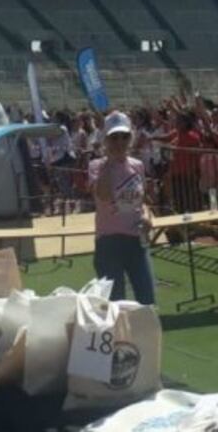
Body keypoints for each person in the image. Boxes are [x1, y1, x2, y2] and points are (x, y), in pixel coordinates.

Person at [89, 111, 155, 304]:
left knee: (147, 300)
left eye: (124, 137)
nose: (119, 142)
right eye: (114, 137)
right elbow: (103, 195)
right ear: (105, 139)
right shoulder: (96, 166)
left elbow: (142, 200)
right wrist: (109, 162)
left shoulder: (138, 166)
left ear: (131, 138)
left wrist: (147, 217)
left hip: (137, 242)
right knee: (115, 305)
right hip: (109, 243)